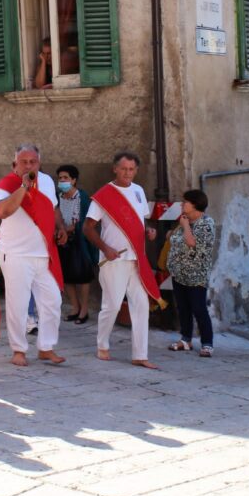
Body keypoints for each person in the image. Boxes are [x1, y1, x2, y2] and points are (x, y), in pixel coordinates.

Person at [84, 152, 162, 369]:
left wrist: (149, 231)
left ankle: (140, 354)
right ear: (115, 169)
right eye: (124, 169)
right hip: (114, 260)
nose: (128, 173)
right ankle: (102, 344)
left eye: (131, 169)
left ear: (136, 170)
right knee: (112, 305)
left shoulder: (138, 191)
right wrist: (105, 248)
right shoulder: (104, 195)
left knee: (141, 305)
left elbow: (140, 221)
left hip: (137, 259)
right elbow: (87, 228)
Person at [0, 143, 67, 366]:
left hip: (43, 253)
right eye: (23, 162)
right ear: (14, 164)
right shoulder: (6, 185)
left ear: (39, 163)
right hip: (16, 253)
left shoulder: (46, 181)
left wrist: (60, 227)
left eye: (32, 162)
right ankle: (18, 350)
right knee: (18, 304)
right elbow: (3, 211)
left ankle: (46, 347)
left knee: (53, 300)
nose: (28, 166)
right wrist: (24, 187)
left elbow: (53, 208)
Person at [166, 189, 217, 357]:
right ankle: (185, 339)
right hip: (179, 273)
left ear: (195, 204)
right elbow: (174, 238)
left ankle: (207, 343)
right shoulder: (185, 220)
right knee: (183, 308)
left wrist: (185, 226)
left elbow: (191, 242)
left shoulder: (206, 223)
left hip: (196, 276)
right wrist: (171, 233)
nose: (182, 204)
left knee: (199, 308)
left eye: (185, 202)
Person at [56, 164, 97, 324]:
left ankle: (84, 309)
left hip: (80, 242)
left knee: (83, 276)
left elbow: (85, 220)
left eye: (65, 178)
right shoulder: (58, 197)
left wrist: (70, 228)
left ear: (73, 180)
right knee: (66, 277)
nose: (62, 181)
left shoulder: (82, 197)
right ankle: (75, 307)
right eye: (60, 178)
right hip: (62, 241)